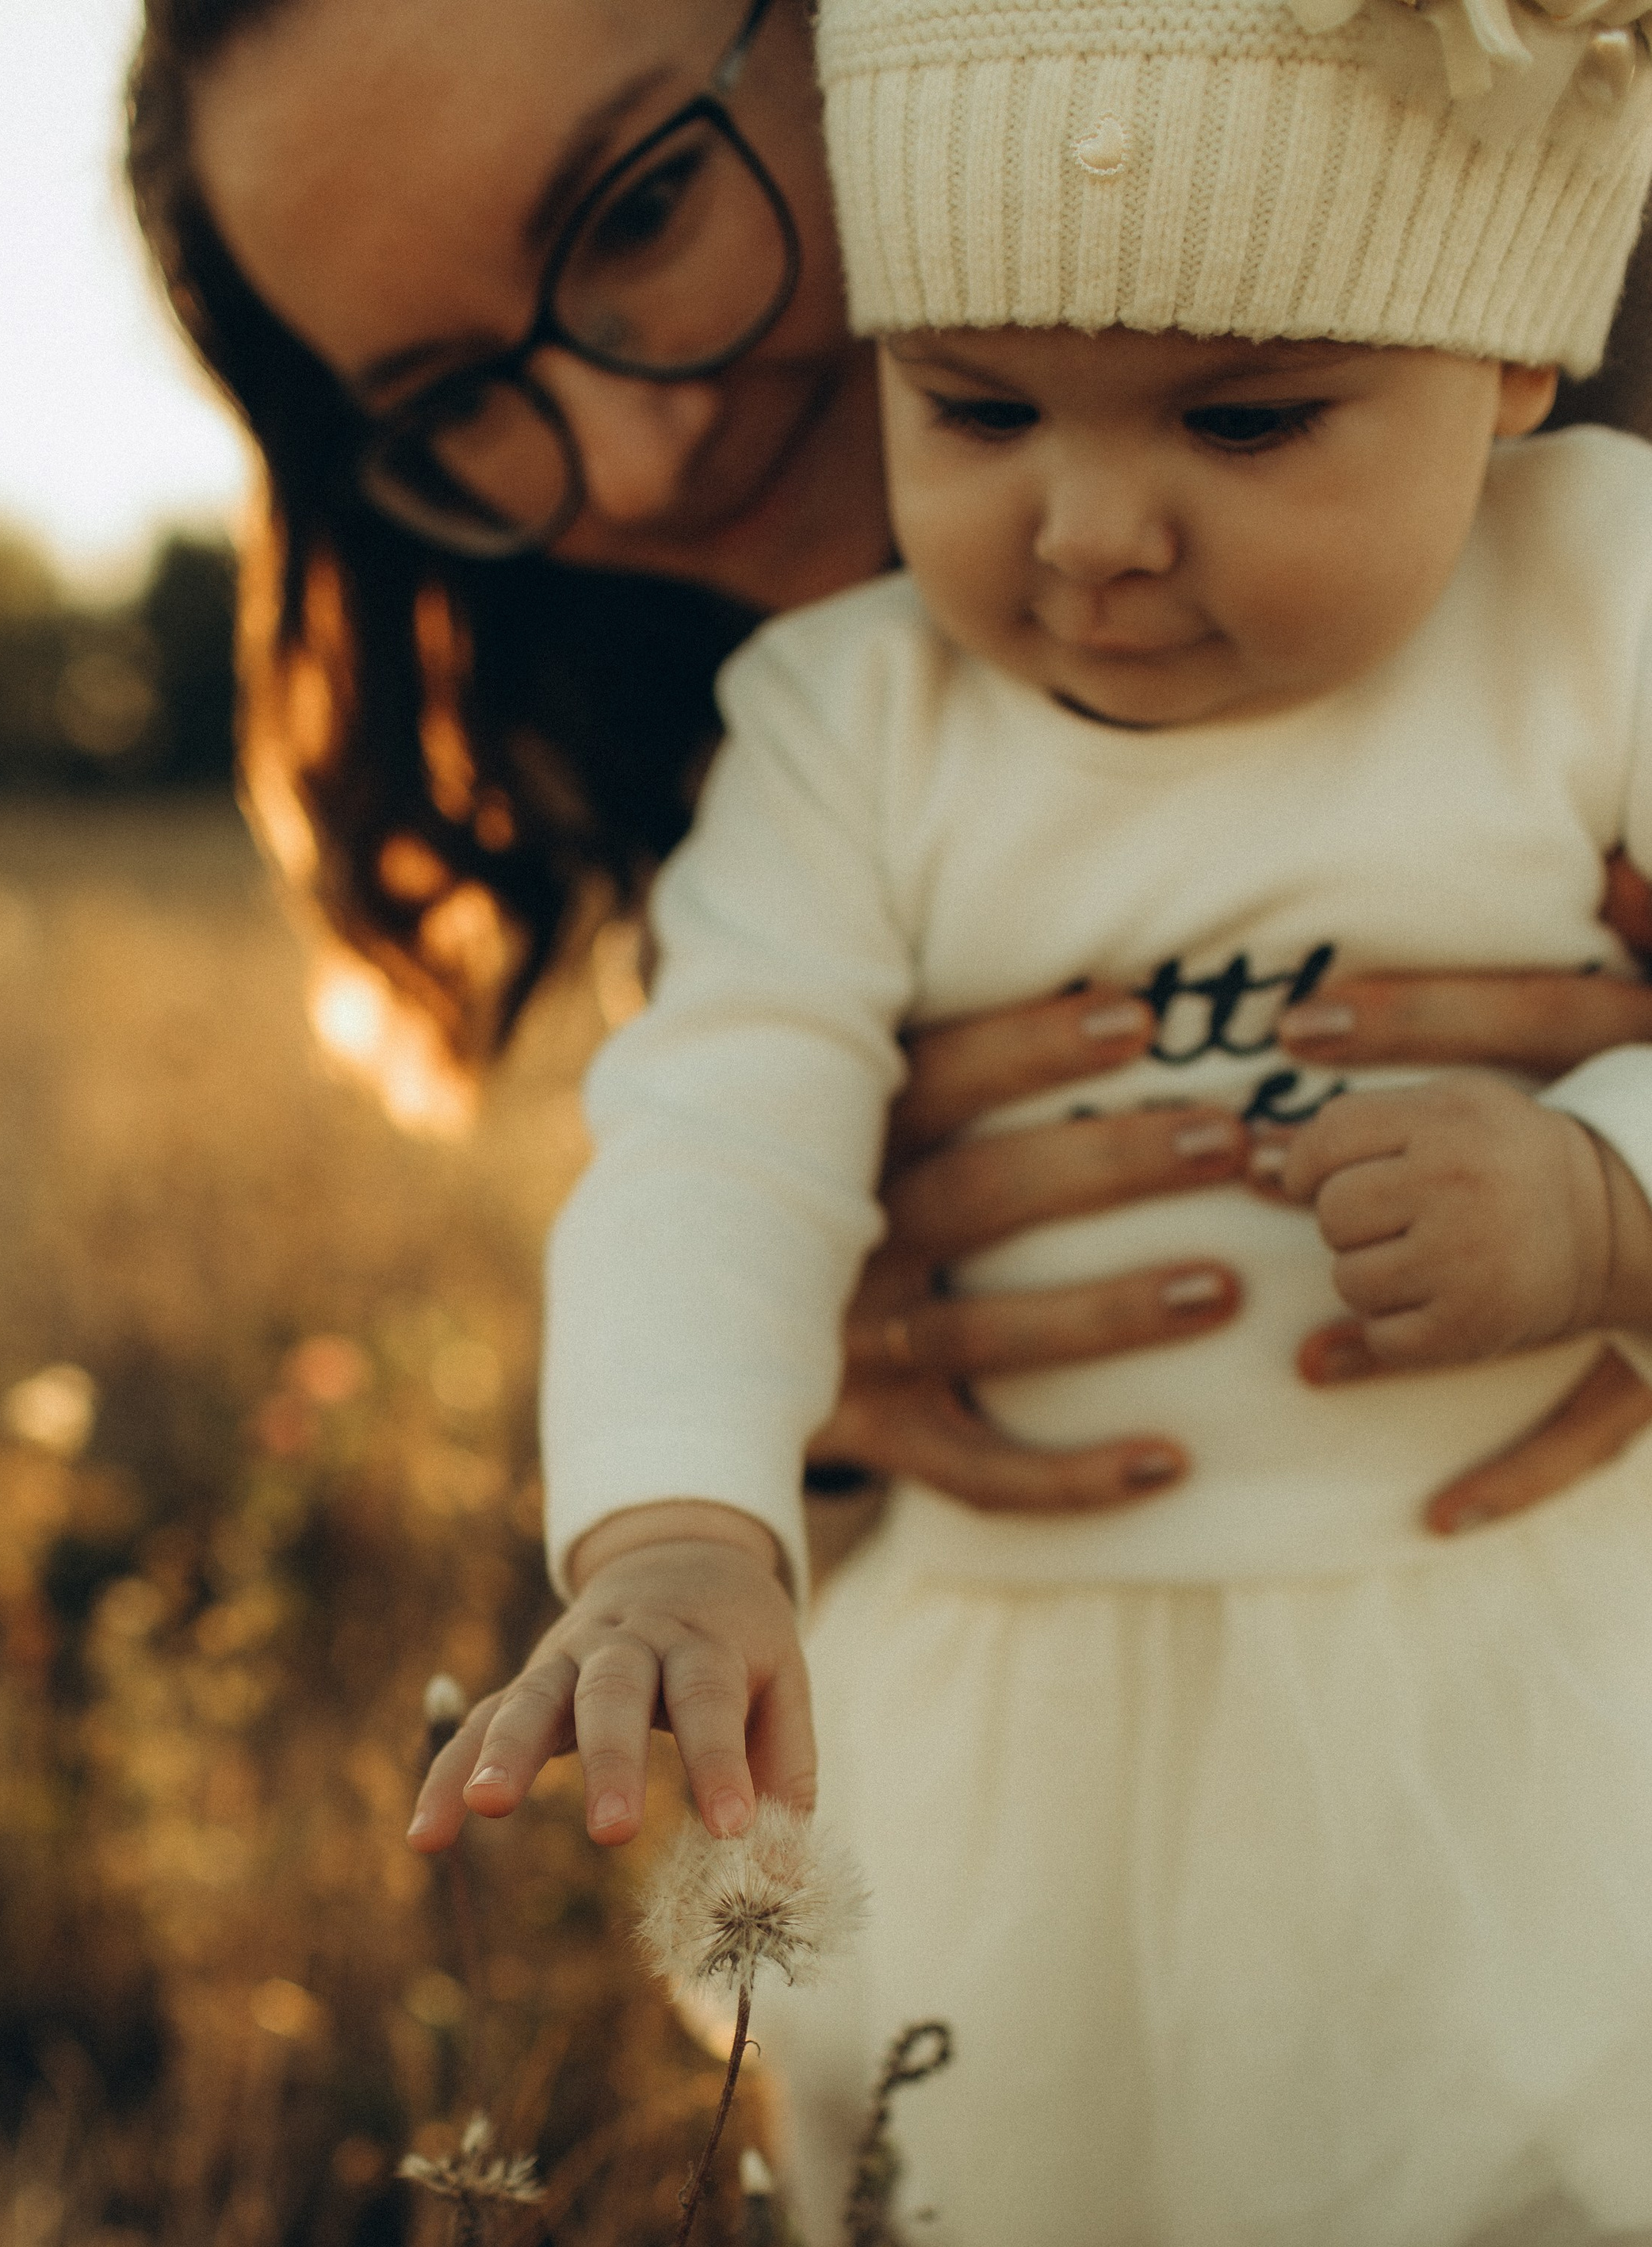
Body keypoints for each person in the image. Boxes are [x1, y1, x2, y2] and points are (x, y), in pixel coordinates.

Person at [412, 0, 1652, 2247]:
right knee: (923, 2082)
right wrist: (680, 1527)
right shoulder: (853, 710)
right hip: (1052, 1617)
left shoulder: (1602, 588)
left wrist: (1614, 1177)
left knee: (1588, 2165)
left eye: (1246, 417)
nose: (1091, 526)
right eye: (975, 409)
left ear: (1509, 365)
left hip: (1525, 1623)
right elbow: (717, 1112)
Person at [130, 0, 1652, 1545]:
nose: (639, 455)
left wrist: (1610, 1217)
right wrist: (777, 1402)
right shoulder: (766, 746)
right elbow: (714, 1204)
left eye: (639, 209)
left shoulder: (1590, 572)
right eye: (451, 398)